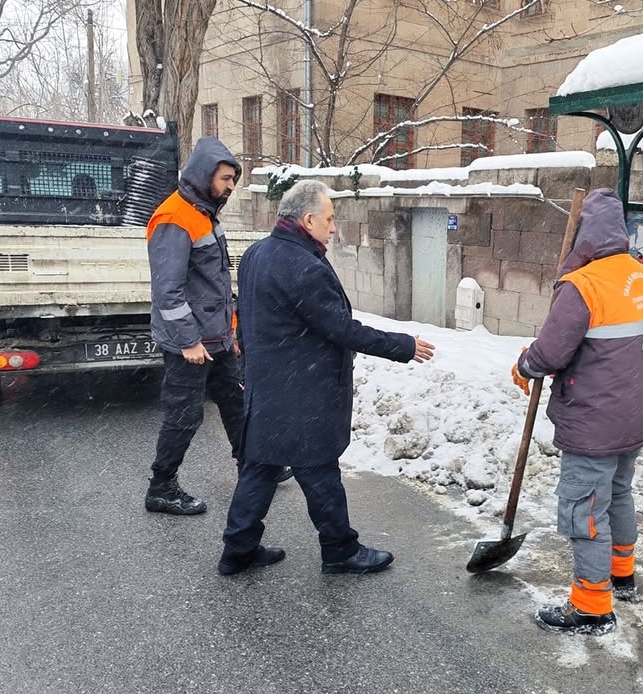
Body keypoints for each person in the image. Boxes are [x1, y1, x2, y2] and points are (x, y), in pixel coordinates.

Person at [217, 179, 436, 576]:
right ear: (309, 219)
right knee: (319, 471)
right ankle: (339, 550)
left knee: (260, 467)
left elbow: (244, 323)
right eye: (330, 219)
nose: (334, 228)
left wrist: (248, 372)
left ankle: (238, 549)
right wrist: (403, 346)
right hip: (301, 391)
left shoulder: (255, 255)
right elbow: (341, 329)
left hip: (268, 388)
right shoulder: (301, 265)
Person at [512, 188, 643, 635]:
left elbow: (551, 353)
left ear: (584, 234)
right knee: (618, 494)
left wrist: (525, 364)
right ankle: (622, 573)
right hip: (633, 417)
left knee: (584, 509)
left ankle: (592, 605)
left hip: (593, 422)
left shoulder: (584, 286)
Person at [144, 137, 256, 516]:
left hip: (218, 339)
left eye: (232, 180)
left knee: (236, 402)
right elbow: (168, 290)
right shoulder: (174, 217)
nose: (230, 187)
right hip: (190, 344)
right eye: (226, 178)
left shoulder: (204, 212)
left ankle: (253, 468)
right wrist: (188, 341)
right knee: (184, 415)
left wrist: (230, 333)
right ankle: (161, 487)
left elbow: (216, 284)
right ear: (205, 174)